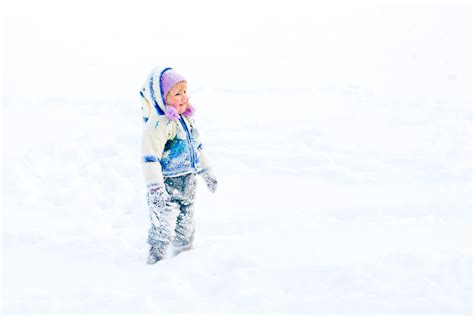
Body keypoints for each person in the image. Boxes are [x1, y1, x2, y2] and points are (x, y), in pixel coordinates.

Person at [139, 66, 218, 264]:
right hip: (166, 187)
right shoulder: (158, 125)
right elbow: (150, 159)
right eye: (177, 93)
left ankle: (183, 262)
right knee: (163, 228)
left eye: (185, 91)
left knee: (186, 227)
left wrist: (207, 173)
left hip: (188, 184)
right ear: (161, 98)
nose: (184, 97)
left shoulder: (186, 120)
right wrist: (155, 189)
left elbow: (197, 149)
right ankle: (155, 261)